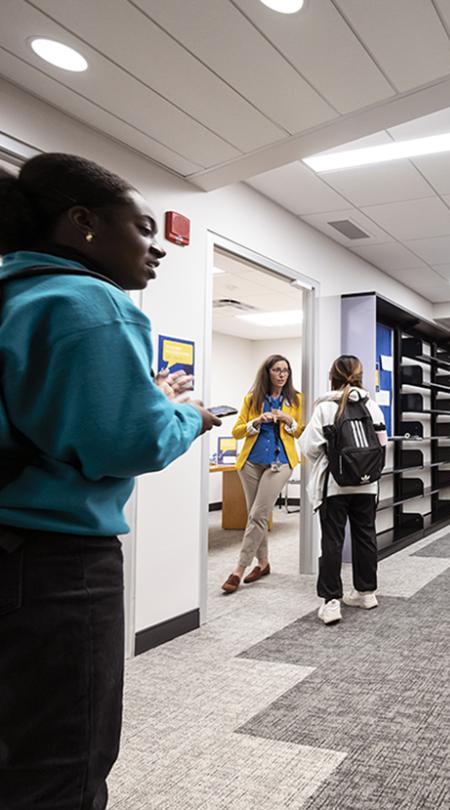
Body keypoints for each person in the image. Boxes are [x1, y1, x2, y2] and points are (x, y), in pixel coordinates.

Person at [0, 153, 221, 810]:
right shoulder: (90, 301)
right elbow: (129, 443)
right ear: (82, 223)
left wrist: (144, 396)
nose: (158, 249)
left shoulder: (16, 296)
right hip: (55, 569)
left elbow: (41, 420)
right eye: (143, 227)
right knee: (64, 765)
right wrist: (188, 414)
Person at [299, 355, 387, 625]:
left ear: (332, 376)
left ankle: (332, 602)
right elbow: (383, 445)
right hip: (367, 485)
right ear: (360, 377)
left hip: (335, 487)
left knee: (332, 541)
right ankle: (366, 592)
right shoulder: (372, 406)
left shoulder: (326, 408)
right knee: (365, 537)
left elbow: (309, 448)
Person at [221, 355, 303, 593]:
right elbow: (237, 432)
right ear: (267, 372)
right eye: (277, 370)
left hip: (281, 462)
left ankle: (239, 569)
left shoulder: (296, 400)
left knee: (257, 514)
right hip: (250, 463)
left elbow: (302, 433)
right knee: (255, 515)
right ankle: (264, 563)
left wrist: (289, 421)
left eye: (285, 370)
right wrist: (256, 422)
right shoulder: (253, 399)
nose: (282, 374)